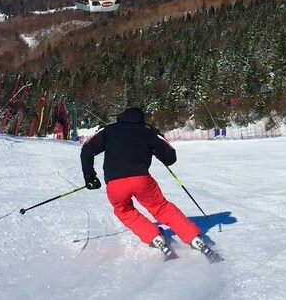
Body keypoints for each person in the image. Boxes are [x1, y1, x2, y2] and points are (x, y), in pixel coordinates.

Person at [80, 107, 219, 261]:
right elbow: (170, 158)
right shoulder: (148, 130)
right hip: (141, 180)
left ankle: (153, 236)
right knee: (160, 208)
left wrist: (90, 177)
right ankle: (193, 237)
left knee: (124, 211)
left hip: (115, 183)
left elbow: (87, 150)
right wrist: (157, 142)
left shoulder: (109, 130)